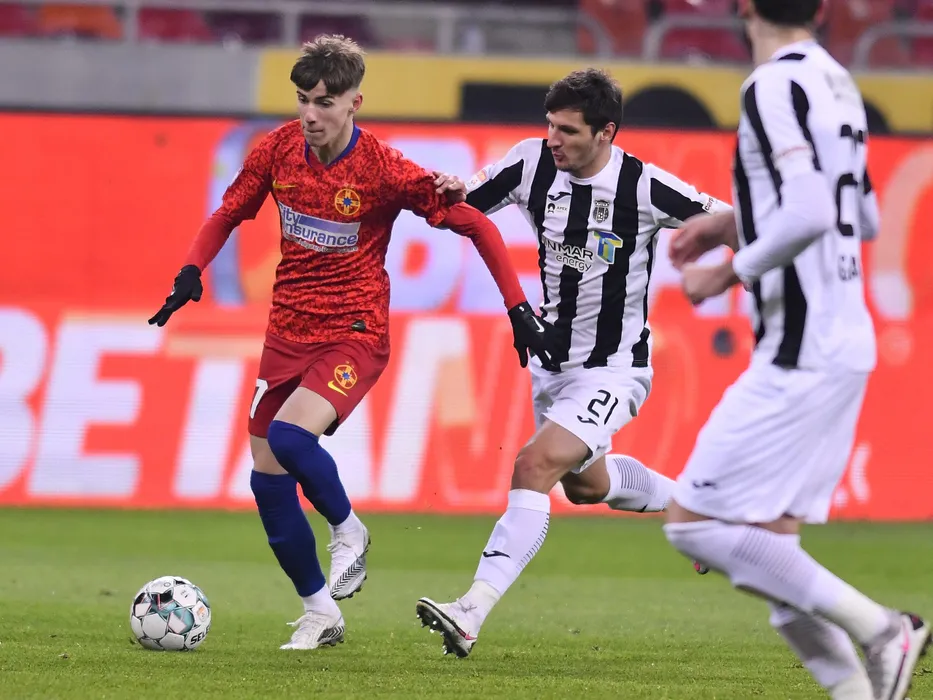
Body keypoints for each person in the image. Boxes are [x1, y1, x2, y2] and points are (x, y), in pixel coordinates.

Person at [148, 34, 556, 651]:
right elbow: (228, 212)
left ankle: (349, 531)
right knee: (267, 480)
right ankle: (320, 612)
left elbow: (474, 222)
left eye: (324, 102)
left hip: (354, 333)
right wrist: (190, 270)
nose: (310, 114)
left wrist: (517, 305)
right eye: (302, 100)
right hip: (286, 332)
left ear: (353, 103)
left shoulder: (383, 169)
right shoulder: (277, 151)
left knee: (290, 438)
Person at [662, 2, 930, 699]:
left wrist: (729, 270)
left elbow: (810, 211)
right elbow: (860, 214)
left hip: (801, 346)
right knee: (774, 556)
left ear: (744, 6)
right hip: (843, 337)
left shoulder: (770, 84)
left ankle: (882, 630)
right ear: (821, 8)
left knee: (693, 525)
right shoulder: (837, 81)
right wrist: (731, 221)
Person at [416, 67, 731, 658]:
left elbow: (732, 222)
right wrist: (447, 188)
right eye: (550, 126)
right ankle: (701, 509)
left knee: (533, 465)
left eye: (567, 130)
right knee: (587, 486)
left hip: (614, 369)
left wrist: (754, 270)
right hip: (552, 366)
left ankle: (471, 610)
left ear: (605, 132)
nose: (553, 139)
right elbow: (464, 206)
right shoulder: (530, 163)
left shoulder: (643, 186)